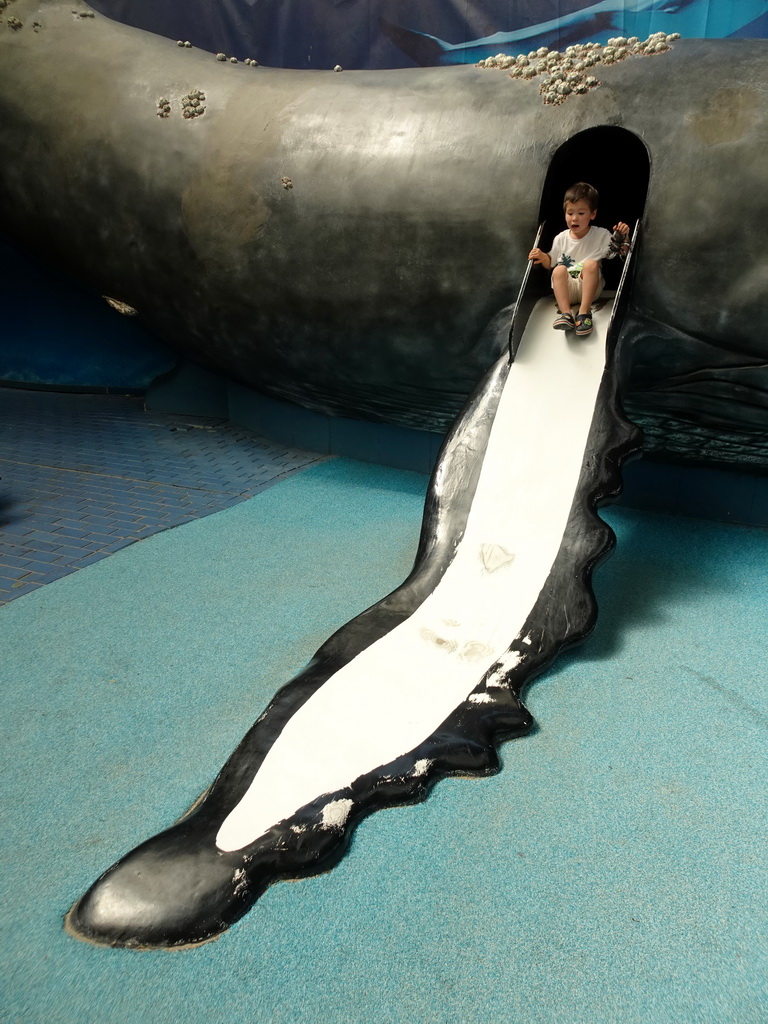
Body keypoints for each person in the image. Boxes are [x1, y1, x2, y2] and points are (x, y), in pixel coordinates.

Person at [528, 182, 630, 336]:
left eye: (581, 214)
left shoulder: (600, 235)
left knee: (590, 264)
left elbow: (617, 253)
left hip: (589, 288)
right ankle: (566, 314)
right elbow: (551, 262)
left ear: (593, 214)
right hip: (567, 290)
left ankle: (584, 312)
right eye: (570, 213)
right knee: (559, 269)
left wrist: (623, 238)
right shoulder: (561, 238)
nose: (574, 218)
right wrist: (542, 257)